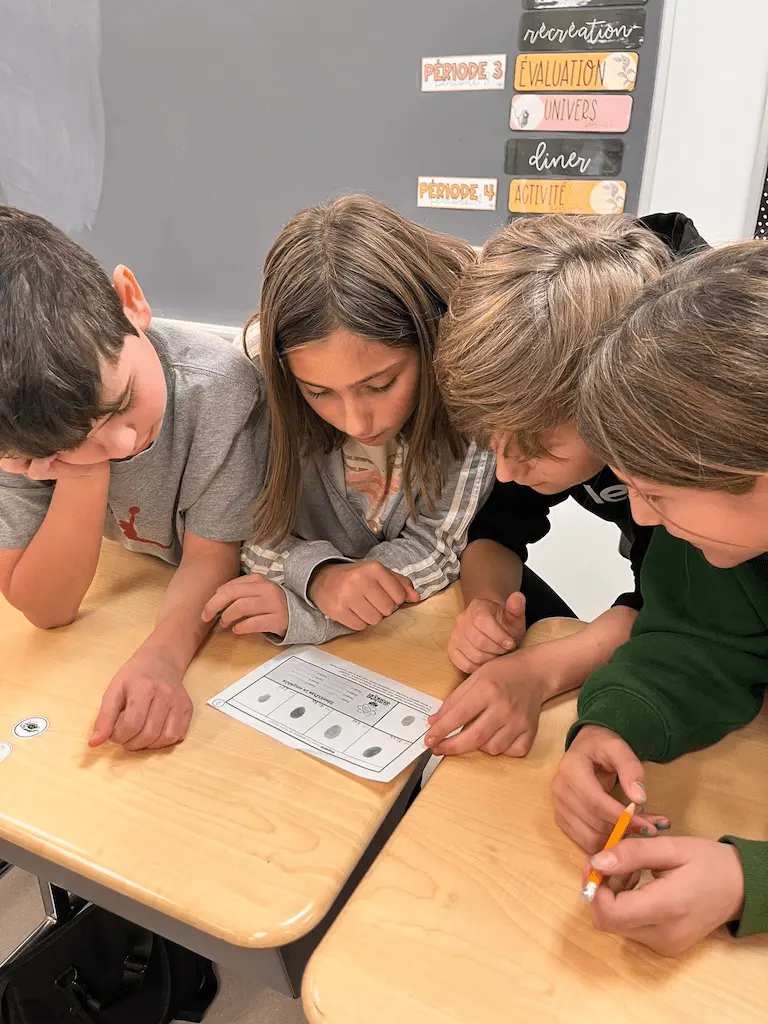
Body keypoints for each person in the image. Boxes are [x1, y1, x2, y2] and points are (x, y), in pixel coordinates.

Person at [553, 240, 768, 955]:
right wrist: (609, 726)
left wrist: (749, 880)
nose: (639, 518)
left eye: (658, 494)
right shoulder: (718, 540)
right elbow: (697, 642)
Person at [426, 212, 708, 759]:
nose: (507, 469)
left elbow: (678, 605)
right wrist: (485, 607)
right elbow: (498, 523)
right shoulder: (541, 387)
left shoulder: (683, 435)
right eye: (489, 440)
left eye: (535, 448)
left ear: (617, 401)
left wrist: (541, 669)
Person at [0, 206, 266, 751]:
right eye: (72, 444)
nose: (122, 444)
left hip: (198, 608)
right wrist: (83, 472)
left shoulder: (219, 391)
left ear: (131, 302)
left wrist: (161, 658)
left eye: (121, 403)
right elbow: (46, 609)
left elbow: (213, 556)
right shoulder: (25, 423)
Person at [203, 195, 494, 644]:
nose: (357, 422)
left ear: (430, 341)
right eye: (318, 393)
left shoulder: (470, 397)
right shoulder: (257, 381)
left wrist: (313, 612)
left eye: (380, 385)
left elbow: (434, 550)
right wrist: (320, 578)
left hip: (412, 633)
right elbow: (239, 531)